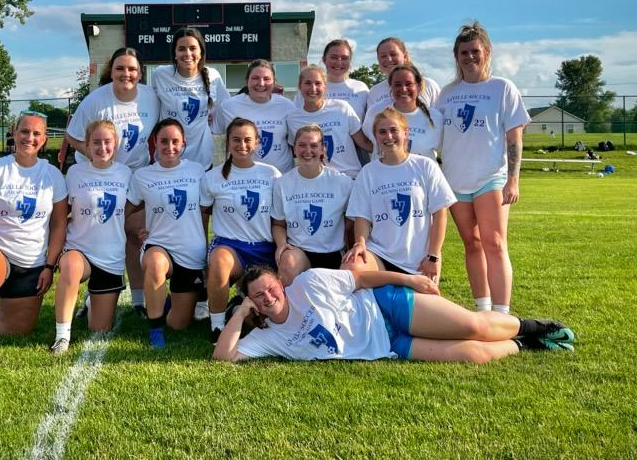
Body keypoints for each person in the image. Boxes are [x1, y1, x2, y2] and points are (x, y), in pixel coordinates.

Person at [213, 265, 575, 363]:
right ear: (252, 303)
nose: (269, 297)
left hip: (386, 305)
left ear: (280, 283)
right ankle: (527, 344)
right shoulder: (269, 337)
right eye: (258, 296)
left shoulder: (309, 282)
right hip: (386, 345)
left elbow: (362, 279)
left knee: (473, 325)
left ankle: (534, 326)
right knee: (474, 354)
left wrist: (409, 280)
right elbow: (222, 357)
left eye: (271, 288)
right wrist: (240, 314)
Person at [436, 21, 530, 314]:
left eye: (475, 51)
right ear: (456, 56)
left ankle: (501, 314)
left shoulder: (502, 88)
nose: (470, 57)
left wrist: (513, 179)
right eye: (464, 52)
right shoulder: (447, 93)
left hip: (491, 178)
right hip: (455, 181)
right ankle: (483, 310)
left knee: (495, 243)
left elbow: (514, 136)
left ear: (486, 52)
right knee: (472, 243)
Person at [0, 110, 68, 367]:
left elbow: (59, 224)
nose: (29, 138)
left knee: (14, 331)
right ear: (14, 133)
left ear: (44, 139)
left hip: (31, 263)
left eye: (36, 133)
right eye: (24, 131)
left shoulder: (52, 174)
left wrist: (49, 266)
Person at [66, 47, 160, 317]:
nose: (126, 74)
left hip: (134, 174)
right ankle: (91, 293)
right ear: (111, 71)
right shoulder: (95, 100)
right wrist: (100, 160)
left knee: (134, 234)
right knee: (97, 233)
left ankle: (139, 301)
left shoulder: (151, 97)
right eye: (120, 68)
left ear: (140, 73)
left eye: (132, 69)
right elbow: (73, 135)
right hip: (97, 177)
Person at [345, 108, 455, 283]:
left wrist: (433, 256)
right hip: (380, 255)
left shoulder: (425, 166)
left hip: (420, 260)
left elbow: (440, 214)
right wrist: (360, 243)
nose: (388, 136)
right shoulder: (368, 172)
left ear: (405, 133)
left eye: (393, 130)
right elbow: (362, 217)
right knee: (351, 269)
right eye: (382, 132)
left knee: (425, 300)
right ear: (375, 137)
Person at [50, 120, 131, 354]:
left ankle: (89, 300)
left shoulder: (126, 174)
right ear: (87, 145)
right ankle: (62, 336)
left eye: (107, 142)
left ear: (115, 143)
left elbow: (133, 209)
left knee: (99, 329)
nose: (102, 147)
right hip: (79, 249)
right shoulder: (74, 173)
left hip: (111, 258)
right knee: (70, 265)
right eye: (96, 142)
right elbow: (61, 212)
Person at [125, 119, 207, 349]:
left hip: (191, 252)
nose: (169, 147)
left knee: (179, 324)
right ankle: (155, 329)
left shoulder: (197, 171)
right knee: (155, 263)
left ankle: (168, 302)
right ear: (155, 143)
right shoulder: (143, 175)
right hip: (158, 244)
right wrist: (134, 229)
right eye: (164, 141)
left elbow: (209, 207)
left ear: (183, 144)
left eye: (175, 141)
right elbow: (126, 210)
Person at [201, 118, 280, 341]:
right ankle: (217, 326)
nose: (242, 145)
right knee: (219, 260)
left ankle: (236, 307)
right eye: (236, 139)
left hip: (265, 248)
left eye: (247, 140)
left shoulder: (271, 174)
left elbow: (280, 217)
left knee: (264, 322)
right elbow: (203, 215)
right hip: (231, 247)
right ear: (227, 142)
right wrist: (202, 249)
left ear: (257, 142)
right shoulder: (212, 177)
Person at [270, 124, 353, 286]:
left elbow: (353, 219)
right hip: (299, 252)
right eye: (302, 145)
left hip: (333, 253)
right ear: (294, 149)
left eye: (314, 145)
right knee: (288, 262)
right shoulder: (282, 183)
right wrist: (282, 245)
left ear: (323, 149)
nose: (308, 151)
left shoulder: (342, 182)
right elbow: (278, 224)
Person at [152, 27, 229, 168]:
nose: (188, 53)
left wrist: (211, 117)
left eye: (193, 48)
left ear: (201, 52)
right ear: (175, 53)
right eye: (182, 49)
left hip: (202, 161)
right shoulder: (160, 75)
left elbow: (227, 107)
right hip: (167, 158)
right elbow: (152, 106)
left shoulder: (213, 76)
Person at [286, 65, 372, 178]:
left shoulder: (342, 108)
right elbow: (296, 153)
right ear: (300, 86)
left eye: (318, 83)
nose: (313, 88)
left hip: (348, 176)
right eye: (307, 83)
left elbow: (364, 143)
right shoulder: (293, 119)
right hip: (316, 180)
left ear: (325, 86)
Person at [213, 60, 295, 172]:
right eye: (255, 78)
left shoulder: (287, 106)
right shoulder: (228, 106)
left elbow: (295, 141)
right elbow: (213, 130)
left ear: (274, 82)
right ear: (247, 81)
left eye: (266, 79)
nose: (261, 83)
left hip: (282, 176)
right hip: (243, 176)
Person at [363, 65, 444, 161]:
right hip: (382, 170)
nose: (403, 89)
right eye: (397, 84)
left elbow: (442, 148)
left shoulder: (435, 117)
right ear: (391, 87)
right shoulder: (375, 111)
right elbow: (368, 142)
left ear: (418, 87)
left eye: (408, 84)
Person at [294, 39, 369, 121]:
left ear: (349, 61)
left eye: (344, 58)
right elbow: (297, 118)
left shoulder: (360, 88)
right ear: (324, 59)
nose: (339, 62)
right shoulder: (308, 90)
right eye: (333, 57)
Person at [367, 37, 441, 108]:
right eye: (383, 56)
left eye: (393, 54)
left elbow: (439, 114)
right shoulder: (375, 92)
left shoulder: (429, 85)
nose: (389, 59)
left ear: (405, 56)